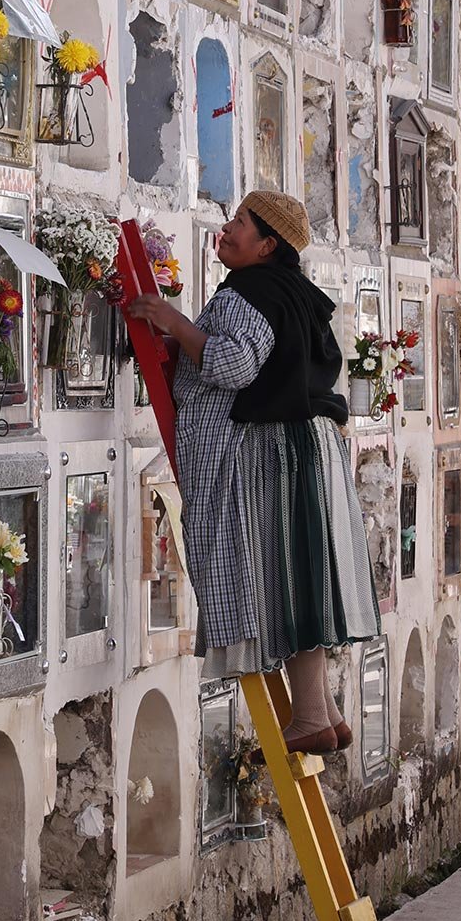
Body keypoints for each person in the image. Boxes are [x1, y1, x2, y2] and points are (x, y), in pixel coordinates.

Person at [123, 189, 377, 750]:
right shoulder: (292, 291)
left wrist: (173, 321)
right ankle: (322, 712)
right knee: (298, 573)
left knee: (274, 579)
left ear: (267, 245)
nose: (227, 226)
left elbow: (235, 363)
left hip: (269, 452)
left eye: (240, 221)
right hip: (302, 447)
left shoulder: (249, 290)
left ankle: (311, 716)